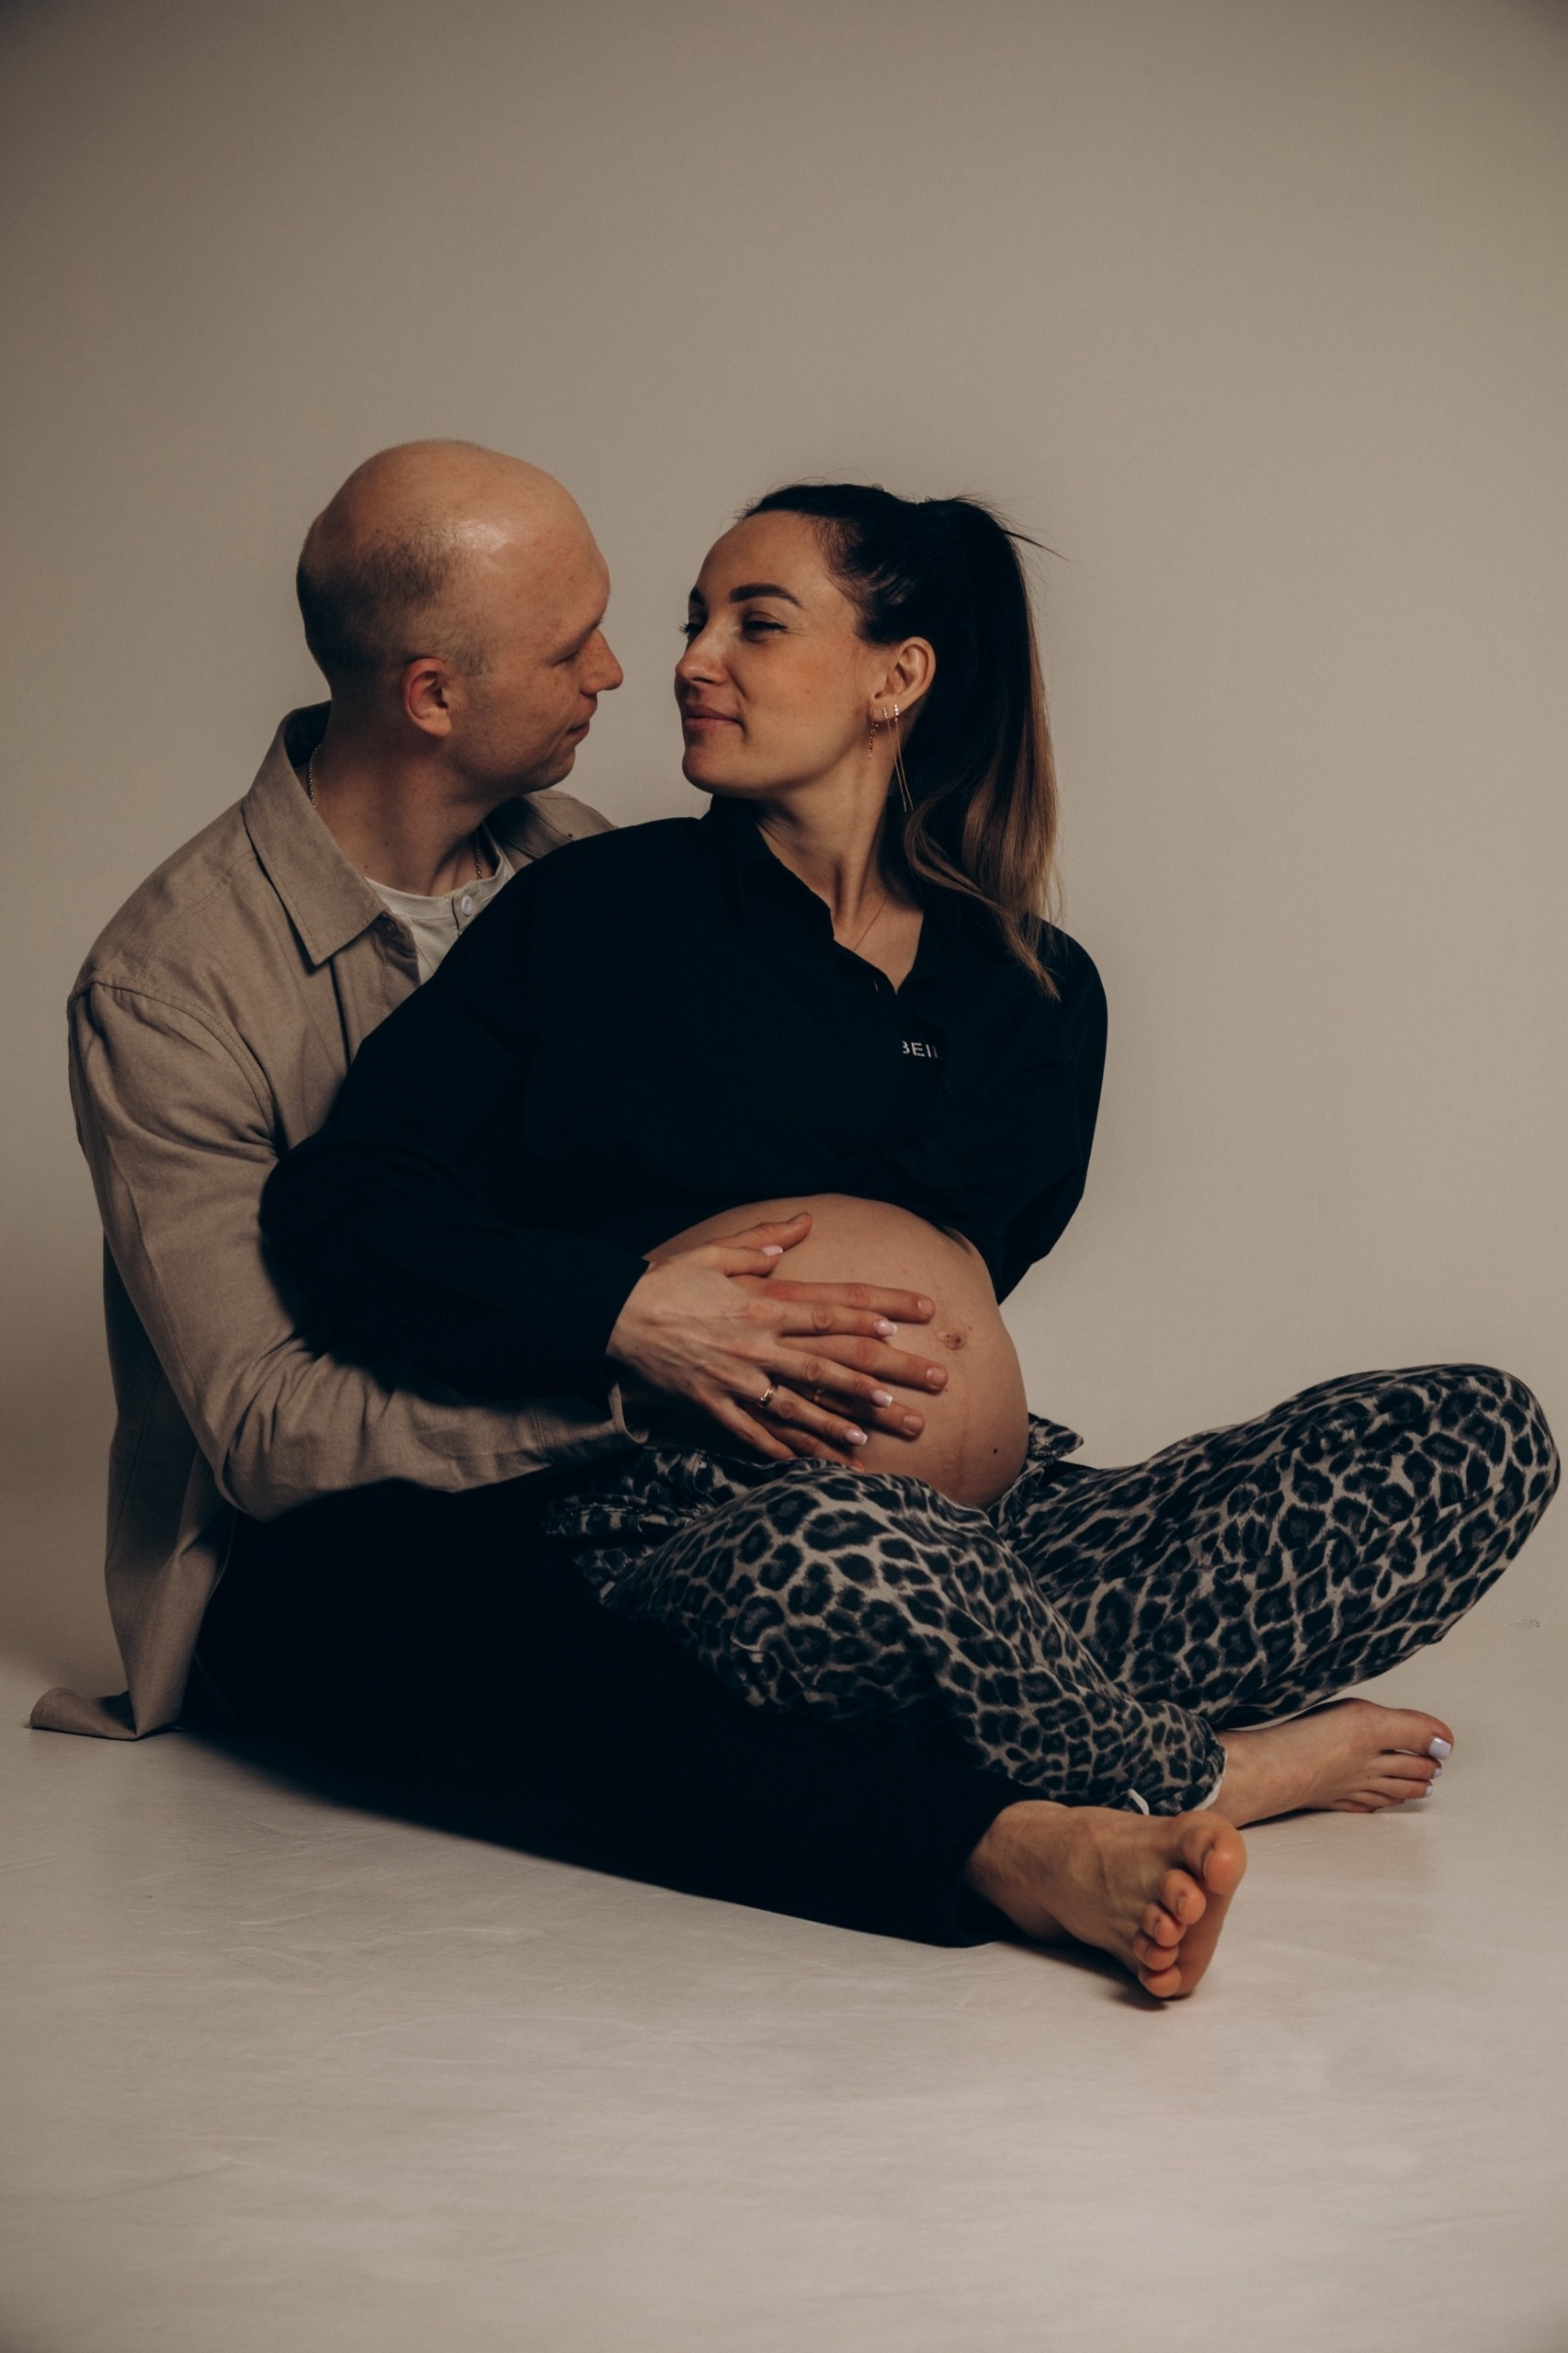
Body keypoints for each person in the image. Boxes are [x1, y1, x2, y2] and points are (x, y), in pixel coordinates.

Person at [264, 480, 1559, 2000]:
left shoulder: (1035, 992)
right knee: (861, 1554)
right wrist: (625, 1309)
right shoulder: (595, 914)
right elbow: (344, 1208)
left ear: (897, 676)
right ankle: (1204, 1770)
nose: (690, 660)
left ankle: (1009, 1700)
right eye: (695, 621)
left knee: (1475, 1434)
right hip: (704, 1533)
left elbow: (966, 1286)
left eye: (754, 624)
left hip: (1009, 1538)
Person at [38, 438, 1138, 1958]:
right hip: (335, 1539)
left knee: (847, 1578)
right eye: (575, 647)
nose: (632, 671)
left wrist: (794, 1378)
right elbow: (269, 1432)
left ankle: (988, 1651)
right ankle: (1011, 1834)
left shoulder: (610, 879)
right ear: (435, 695)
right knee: (501, 1642)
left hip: (694, 1492)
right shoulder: (170, 986)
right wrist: (637, 1372)